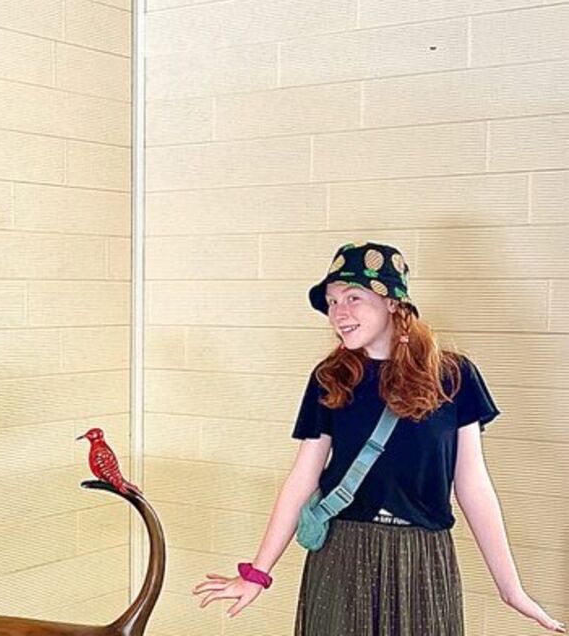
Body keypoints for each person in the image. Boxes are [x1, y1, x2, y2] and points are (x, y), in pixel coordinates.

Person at [190, 242, 565, 635]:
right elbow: (303, 479)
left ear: (392, 302)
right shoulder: (331, 378)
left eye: (353, 297)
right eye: (332, 301)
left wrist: (511, 589)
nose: (339, 312)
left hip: (423, 559)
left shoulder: (454, 376)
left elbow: (473, 484)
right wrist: (258, 573)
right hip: (342, 554)